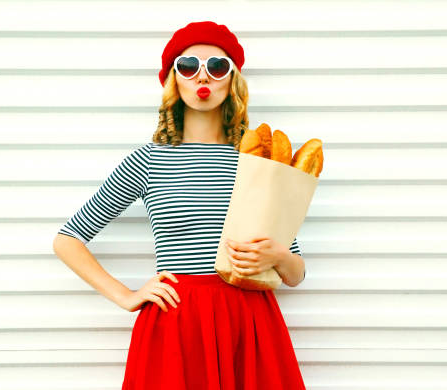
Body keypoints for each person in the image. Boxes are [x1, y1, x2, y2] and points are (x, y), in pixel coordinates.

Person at [52, 20, 307, 390]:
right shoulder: (148, 161)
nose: (203, 78)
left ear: (233, 80)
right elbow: (68, 239)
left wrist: (277, 256)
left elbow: (295, 273)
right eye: (188, 67)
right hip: (176, 323)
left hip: (249, 321)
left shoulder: (258, 163)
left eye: (217, 67)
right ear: (174, 79)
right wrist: (126, 296)